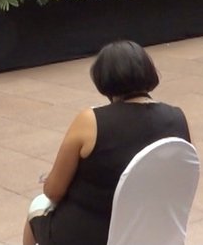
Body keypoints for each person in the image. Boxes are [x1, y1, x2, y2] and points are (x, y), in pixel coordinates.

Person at [22, 41, 190, 245]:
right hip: (152, 233)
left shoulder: (90, 121)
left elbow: (54, 191)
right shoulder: (177, 118)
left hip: (90, 235)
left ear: (103, 78)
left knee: (36, 208)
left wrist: (49, 180)